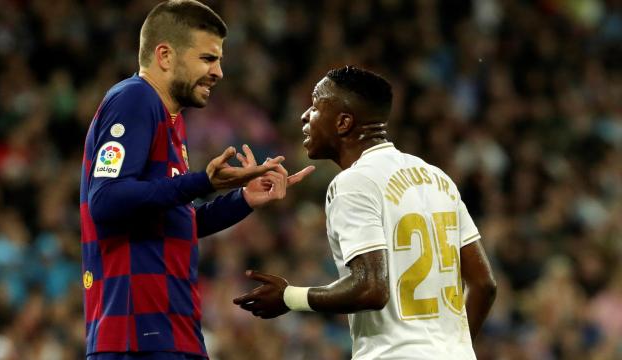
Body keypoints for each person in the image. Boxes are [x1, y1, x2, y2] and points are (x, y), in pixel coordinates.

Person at [79, 1, 313, 359]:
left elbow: (174, 220)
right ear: (165, 55)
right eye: (207, 59)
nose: (219, 72)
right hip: (136, 335)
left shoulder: (172, 121)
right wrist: (202, 182)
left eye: (218, 60)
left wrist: (243, 199)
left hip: (171, 331)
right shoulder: (135, 99)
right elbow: (105, 200)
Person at [233, 66, 497, 359]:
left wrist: (288, 297)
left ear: (344, 122)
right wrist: (457, 348)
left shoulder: (353, 183)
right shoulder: (437, 178)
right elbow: (484, 284)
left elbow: (371, 288)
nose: (305, 115)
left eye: (316, 105)